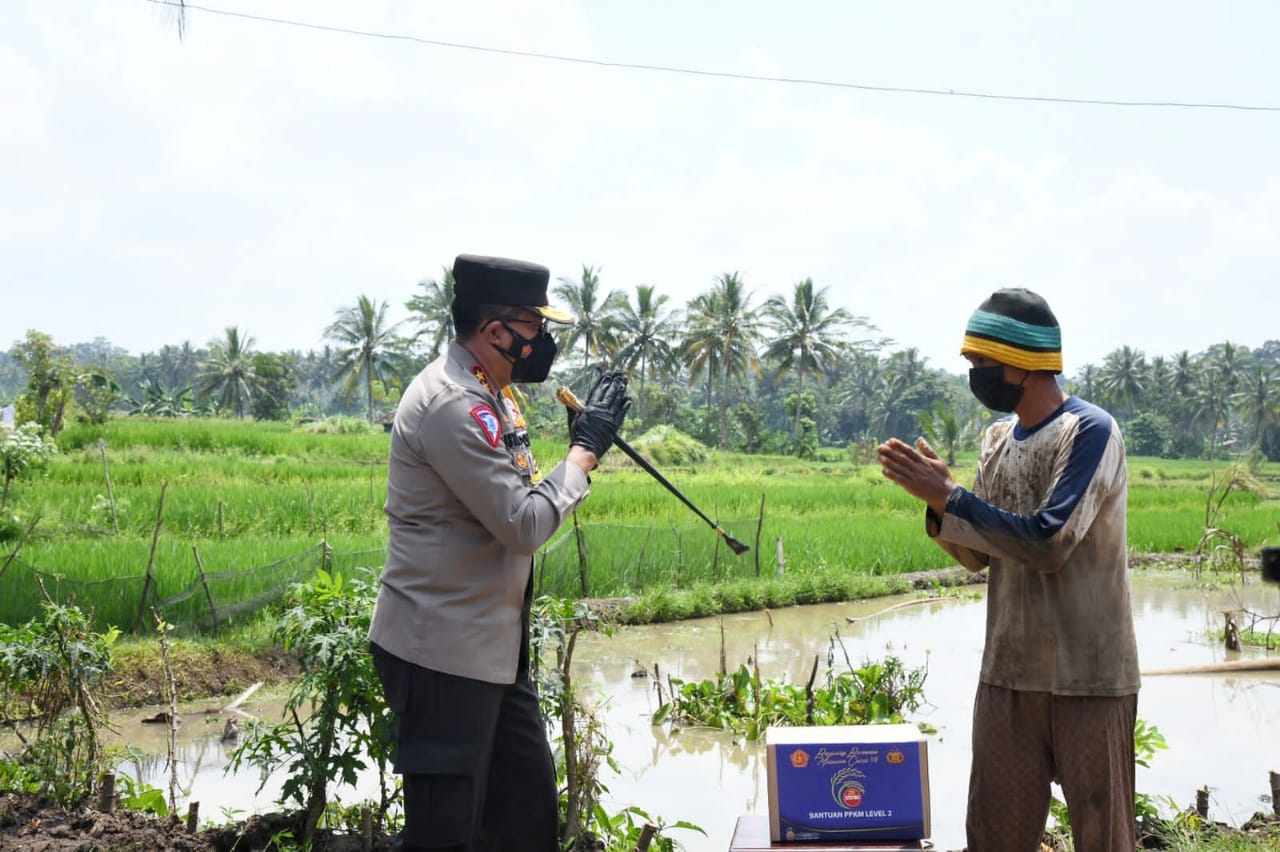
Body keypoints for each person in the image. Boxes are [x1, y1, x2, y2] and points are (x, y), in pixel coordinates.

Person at [368, 253, 631, 852]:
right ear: (496, 333)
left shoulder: (495, 395)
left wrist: (576, 453)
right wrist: (584, 453)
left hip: (492, 648)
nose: (545, 343)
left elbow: (524, 493)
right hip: (441, 654)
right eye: (537, 329)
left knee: (525, 818)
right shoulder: (453, 405)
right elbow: (523, 523)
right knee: (447, 834)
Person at [876, 288, 1140, 851]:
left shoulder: (1089, 432)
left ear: (1022, 363)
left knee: (1103, 834)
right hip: (1008, 671)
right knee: (994, 833)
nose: (976, 376)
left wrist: (954, 497)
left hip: (1088, 675)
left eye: (981, 364)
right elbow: (979, 555)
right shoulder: (997, 440)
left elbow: (1050, 541)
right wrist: (938, 502)